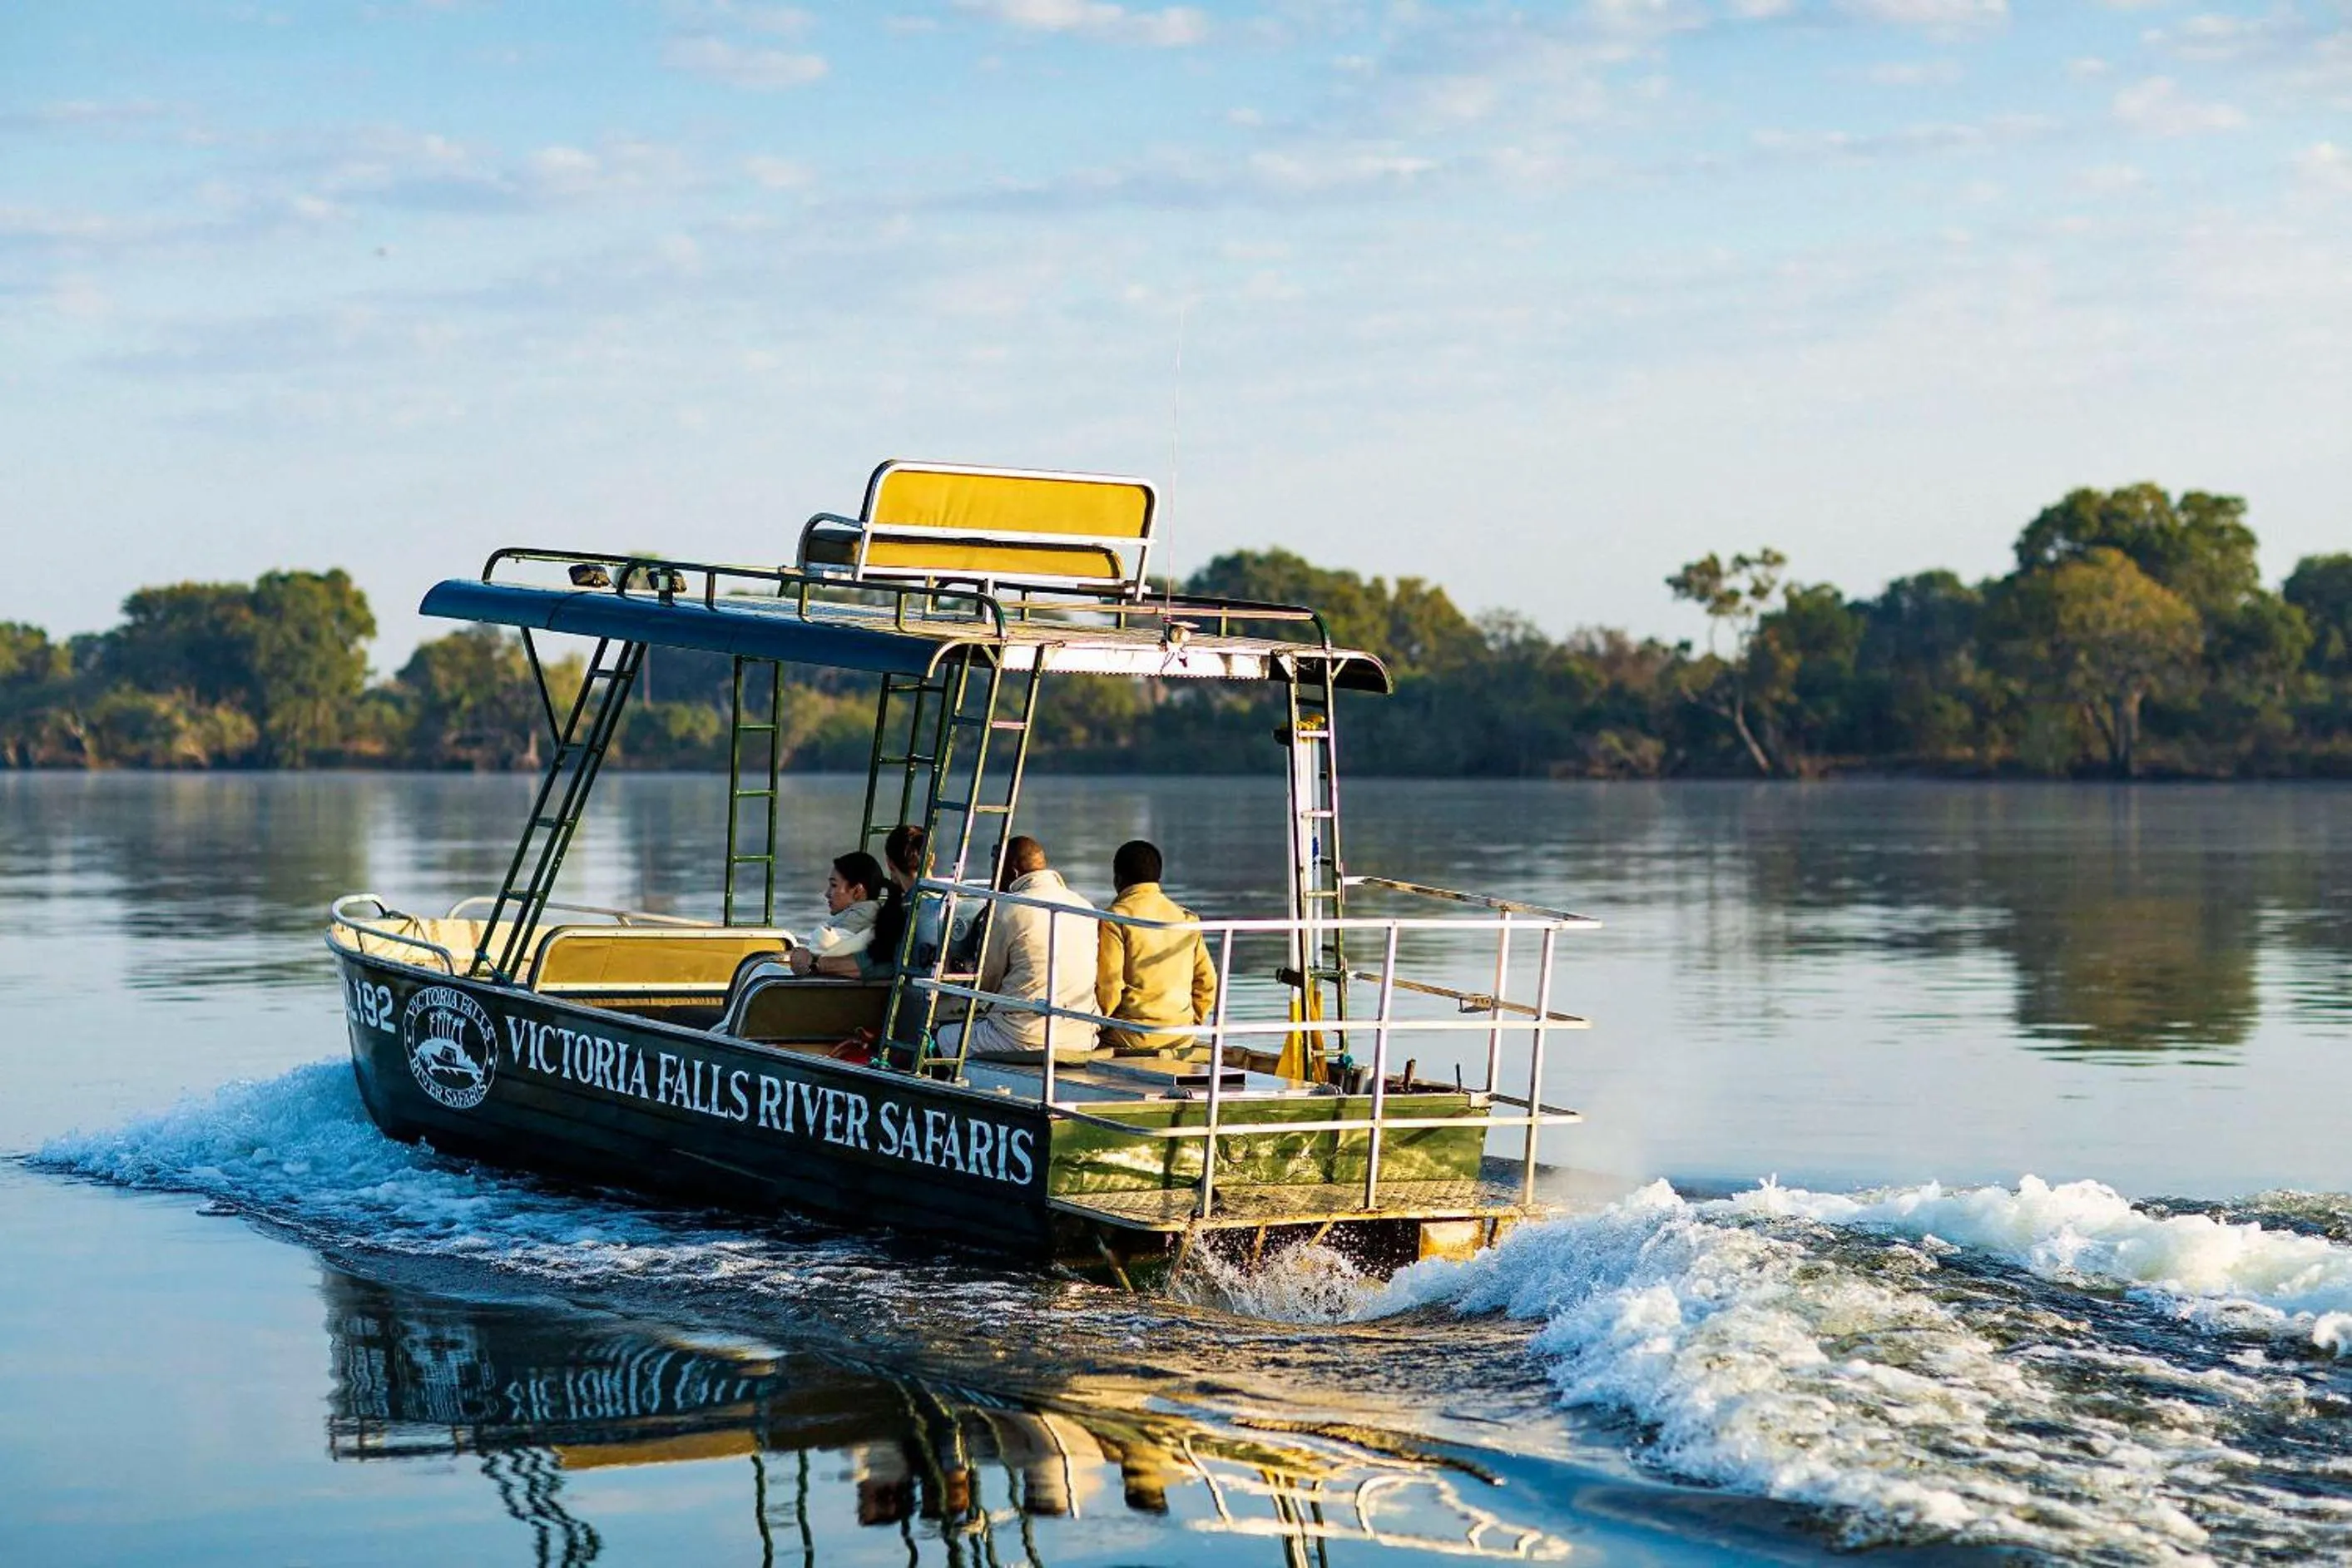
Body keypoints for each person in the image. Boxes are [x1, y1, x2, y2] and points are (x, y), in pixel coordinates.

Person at [945, 835, 1099, 1061]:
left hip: (1022, 1037)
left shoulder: (1006, 910)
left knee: (943, 1037)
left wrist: (957, 970)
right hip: (1081, 1036)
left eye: (995, 872)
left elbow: (984, 984)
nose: (993, 881)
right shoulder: (1085, 906)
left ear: (1014, 872)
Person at [1094, 839, 1218, 1055]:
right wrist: (1191, 1022)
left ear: (1118, 877)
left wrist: (1097, 1025)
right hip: (1180, 1036)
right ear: (1157, 878)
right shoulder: (1186, 919)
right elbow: (1207, 983)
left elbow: (1110, 988)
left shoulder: (1114, 918)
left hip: (1130, 1037)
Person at [788, 851, 887, 976]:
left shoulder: (865, 913)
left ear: (857, 890)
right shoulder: (863, 914)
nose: (827, 894)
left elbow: (825, 943)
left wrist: (805, 957)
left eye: (834, 885)